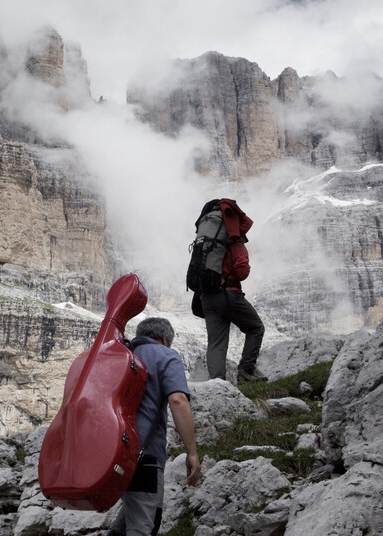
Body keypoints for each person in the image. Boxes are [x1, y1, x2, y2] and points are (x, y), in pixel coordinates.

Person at [108, 317, 201, 536]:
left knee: (133, 520)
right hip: (143, 455)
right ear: (165, 340)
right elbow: (178, 400)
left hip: (109, 452)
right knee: (143, 528)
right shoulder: (166, 355)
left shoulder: (120, 355)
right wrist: (192, 452)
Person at [195, 199, 267, 382]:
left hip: (206, 296)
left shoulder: (206, 244)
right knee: (256, 328)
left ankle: (217, 383)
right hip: (228, 294)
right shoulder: (235, 243)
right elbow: (242, 272)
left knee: (216, 343)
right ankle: (246, 370)